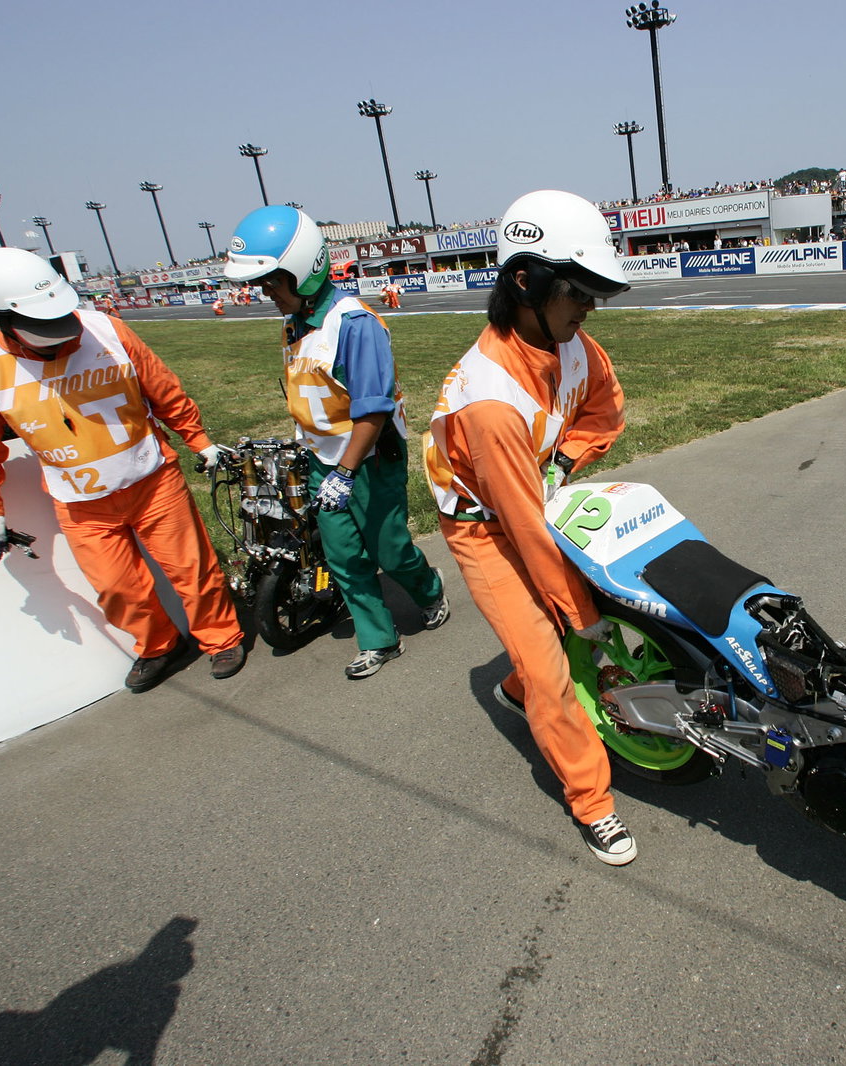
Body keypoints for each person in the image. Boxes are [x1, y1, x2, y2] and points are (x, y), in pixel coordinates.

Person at [424, 190, 635, 865]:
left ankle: (513, 685)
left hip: (527, 494)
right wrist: (581, 618)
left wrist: (565, 460)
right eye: (579, 291)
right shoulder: (488, 399)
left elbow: (605, 408)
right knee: (552, 660)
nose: (591, 306)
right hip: (482, 529)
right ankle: (593, 801)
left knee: (591, 605)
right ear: (527, 282)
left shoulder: (573, 344)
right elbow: (522, 529)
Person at [0, 247, 246, 691]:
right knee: (119, 589)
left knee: (192, 569)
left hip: (152, 478)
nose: (62, 336)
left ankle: (221, 638)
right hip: (79, 499)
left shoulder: (107, 330)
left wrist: (196, 438)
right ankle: (159, 645)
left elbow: (163, 389)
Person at [223, 206, 448, 680]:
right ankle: (379, 639)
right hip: (326, 461)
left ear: (303, 272)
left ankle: (429, 589)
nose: (265, 292)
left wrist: (344, 472)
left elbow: (373, 408)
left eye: (271, 281)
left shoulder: (354, 324)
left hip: (370, 459)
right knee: (344, 556)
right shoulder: (292, 324)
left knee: (389, 551)